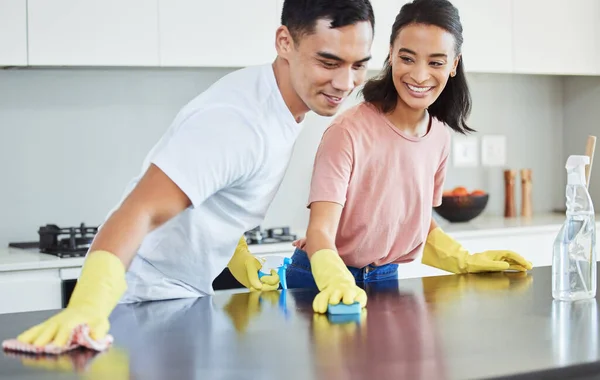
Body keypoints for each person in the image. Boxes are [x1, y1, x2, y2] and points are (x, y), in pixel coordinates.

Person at [15, 0, 376, 348]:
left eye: (358, 65)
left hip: (179, 298)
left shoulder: (283, 102)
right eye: (328, 62)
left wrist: (241, 258)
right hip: (140, 304)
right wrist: (87, 306)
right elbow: (139, 210)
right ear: (285, 42)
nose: (345, 83)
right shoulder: (237, 122)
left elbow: (216, 191)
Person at [285, 0, 533, 314]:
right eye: (407, 58)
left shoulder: (439, 137)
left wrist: (462, 258)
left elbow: (411, 217)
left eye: (436, 62)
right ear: (390, 53)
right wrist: (334, 278)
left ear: (454, 64)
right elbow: (320, 230)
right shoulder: (347, 131)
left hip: (386, 277)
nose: (419, 75)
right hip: (321, 279)